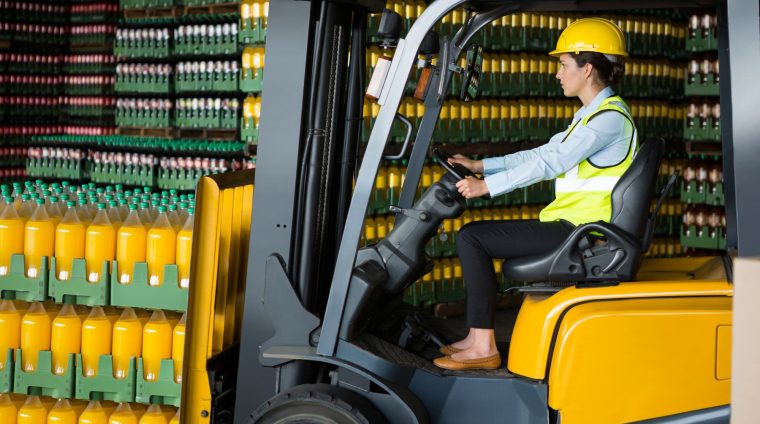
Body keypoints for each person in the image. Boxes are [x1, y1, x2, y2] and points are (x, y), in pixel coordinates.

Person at [433, 18, 637, 371]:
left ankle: (482, 344)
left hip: (584, 231)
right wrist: (481, 166)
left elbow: (550, 163)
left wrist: (487, 188)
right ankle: (475, 336)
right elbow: (539, 153)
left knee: (473, 238)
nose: (557, 74)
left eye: (562, 65)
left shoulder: (608, 120)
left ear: (587, 69)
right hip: (577, 226)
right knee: (472, 237)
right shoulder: (592, 116)